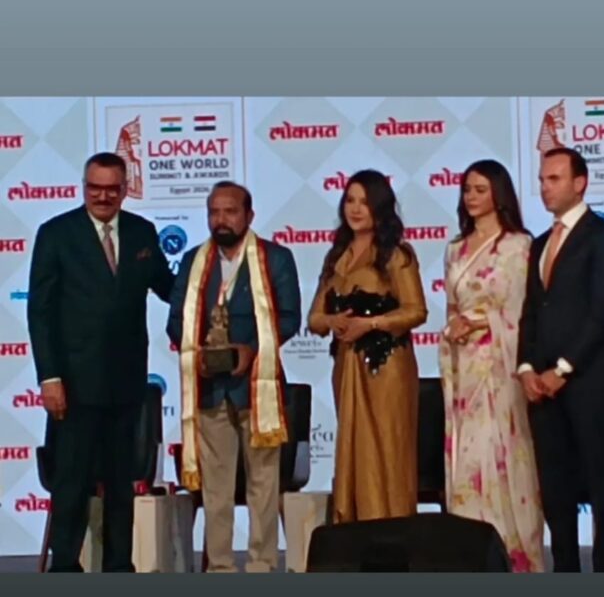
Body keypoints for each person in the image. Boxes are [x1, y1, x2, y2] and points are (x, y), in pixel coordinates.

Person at [27, 152, 175, 572]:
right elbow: (40, 311)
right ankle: (65, 567)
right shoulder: (56, 233)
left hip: (126, 382)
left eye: (112, 189)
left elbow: (170, 288)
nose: (103, 196)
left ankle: (118, 568)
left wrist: (210, 283)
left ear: (125, 189)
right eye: (95, 188)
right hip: (73, 384)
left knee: (121, 486)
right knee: (71, 483)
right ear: (84, 187)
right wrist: (49, 377)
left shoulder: (142, 232)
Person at [167, 181, 302, 573]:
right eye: (214, 212)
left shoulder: (275, 259)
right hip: (210, 388)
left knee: (263, 484)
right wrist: (196, 352)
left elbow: (288, 317)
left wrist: (252, 350)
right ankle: (220, 569)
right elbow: (176, 319)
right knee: (216, 488)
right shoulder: (194, 261)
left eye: (230, 211)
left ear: (249, 215)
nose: (221, 220)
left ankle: (262, 565)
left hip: (257, 390)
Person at [517, 147, 604, 572]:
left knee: (602, 487)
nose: (545, 187)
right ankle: (565, 575)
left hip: (588, 384)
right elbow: (531, 312)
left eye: (555, 179)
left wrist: (563, 369)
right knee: (555, 489)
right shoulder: (540, 244)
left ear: (580, 183)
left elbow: (601, 314)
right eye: (542, 179)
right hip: (541, 390)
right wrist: (527, 368)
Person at [439, 159, 545, 572]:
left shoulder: (519, 246)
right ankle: (469, 555)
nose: (471, 196)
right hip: (463, 368)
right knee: (466, 456)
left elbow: (520, 312)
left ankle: (514, 556)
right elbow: (452, 306)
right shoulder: (455, 249)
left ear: (498, 194)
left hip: (501, 367)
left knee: (500, 453)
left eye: (480, 189)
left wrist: (481, 322)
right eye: (467, 189)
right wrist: (455, 327)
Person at [308, 169, 427, 523]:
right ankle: (354, 530)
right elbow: (314, 318)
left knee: (387, 447)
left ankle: (393, 529)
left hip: (387, 366)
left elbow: (416, 311)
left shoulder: (396, 254)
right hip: (347, 367)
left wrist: (370, 324)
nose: (355, 209)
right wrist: (333, 321)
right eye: (350, 200)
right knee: (353, 447)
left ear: (380, 207)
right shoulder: (336, 256)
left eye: (364, 201)